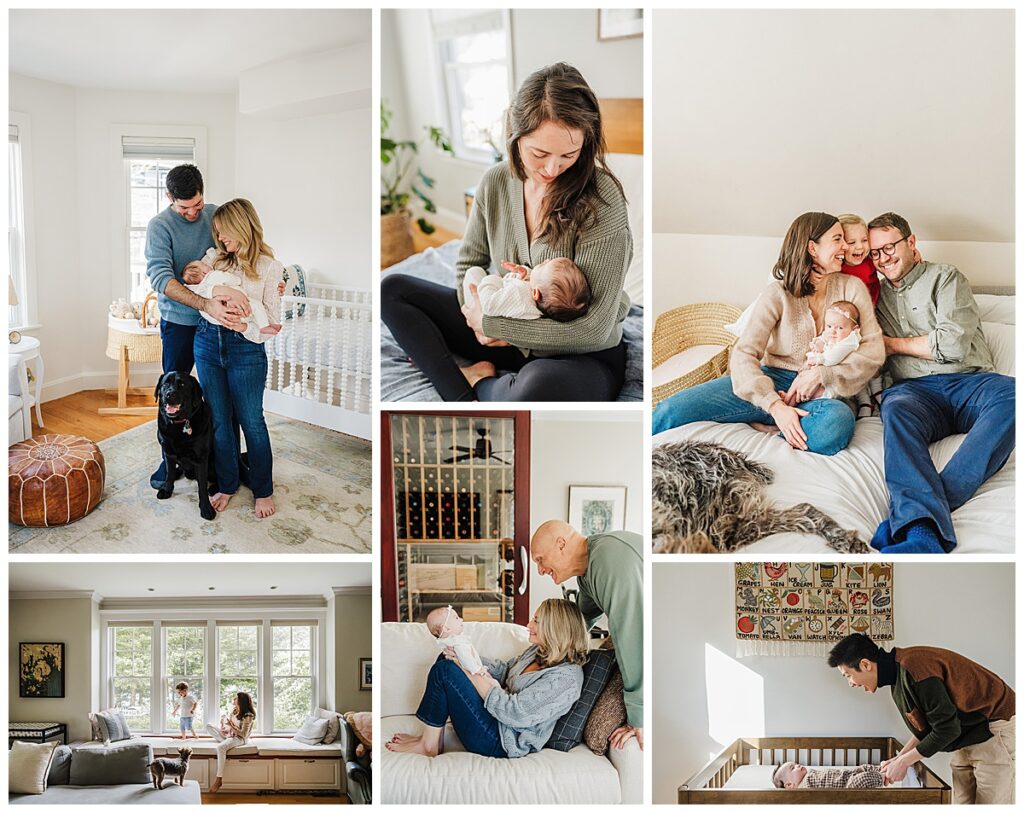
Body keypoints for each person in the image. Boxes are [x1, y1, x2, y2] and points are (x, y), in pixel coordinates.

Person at [381, 62, 632, 401]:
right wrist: (475, 315)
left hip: (577, 350)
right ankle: (466, 396)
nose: (552, 168)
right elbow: (468, 260)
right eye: (539, 153)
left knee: (536, 387)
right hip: (503, 325)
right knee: (393, 289)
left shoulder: (603, 199)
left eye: (568, 155)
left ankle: (479, 383)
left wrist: (493, 326)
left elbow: (595, 328)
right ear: (515, 137)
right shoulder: (496, 181)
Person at [653, 212, 886, 455]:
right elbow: (744, 354)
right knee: (669, 410)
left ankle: (777, 428)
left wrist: (822, 374)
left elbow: (874, 352)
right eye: (837, 239)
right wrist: (775, 405)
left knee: (834, 426)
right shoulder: (778, 294)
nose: (845, 247)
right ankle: (778, 418)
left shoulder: (852, 288)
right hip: (772, 381)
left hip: (827, 391)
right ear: (812, 248)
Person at [867, 212, 1015, 554]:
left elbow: (952, 345)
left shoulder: (945, 277)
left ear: (911, 242)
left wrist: (891, 344)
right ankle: (922, 535)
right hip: (915, 394)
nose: (883, 257)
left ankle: (916, 523)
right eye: (875, 252)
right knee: (895, 409)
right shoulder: (873, 296)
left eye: (890, 247)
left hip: (971, 383)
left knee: (1015, 395)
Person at [145, 164, 251, 488]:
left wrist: (270, 283)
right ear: (169, 198)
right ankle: (170, 464)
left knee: (222, 401)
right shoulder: (159, 227)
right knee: (171, 399)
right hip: (178, 323)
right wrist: (204, 302)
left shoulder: (216, 214)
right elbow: (161, 278)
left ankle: (227, 466)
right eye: (184, 207)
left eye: (198, 205)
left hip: (216, 325)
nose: (193, 213)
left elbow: (243, 252)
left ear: (203, 193)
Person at [385, 599, 588, 758]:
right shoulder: (540, 651)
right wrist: (466, 658)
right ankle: (431, 739)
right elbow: (507, 669)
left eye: (536, 620)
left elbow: (515, 713)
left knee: (446, 671)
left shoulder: (565, 680)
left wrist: (472, 674)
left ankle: (427, 746)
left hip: (501, 740)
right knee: (447, 657)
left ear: (556, 627)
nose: (528, 624)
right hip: (494, 719)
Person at [827, 633, 1015, 804]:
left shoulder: (915, 668)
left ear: (865, 665)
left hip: (993, 726)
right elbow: (925, 729)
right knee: (962, 802)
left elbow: (946, 729)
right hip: (966, 733)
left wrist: (903, 762)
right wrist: (898, 759)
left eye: (848, 676)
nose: (851, 684)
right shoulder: (898, 680)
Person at [193, 199, 283, 519]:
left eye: (224, 232)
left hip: (246, 349)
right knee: (219, 420)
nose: (220, 239)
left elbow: (273, 321)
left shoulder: (270, 267)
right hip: (206, 342)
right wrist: (216, 290)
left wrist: (245, 326)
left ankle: (263, 490)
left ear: (241, 226)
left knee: (251, 421)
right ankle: (228, 484)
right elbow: (197, 292)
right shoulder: (214, 259)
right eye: (216, 233)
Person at [530, 521, 643, 750]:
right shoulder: (589, 574)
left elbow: (632, 634)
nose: (540, 570)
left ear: (561, 544)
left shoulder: (608, 561)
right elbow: (579, 623)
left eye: (540, 559)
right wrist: (544, 648)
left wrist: (639, 716)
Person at [187, 248, 282, 337]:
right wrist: (227, 286)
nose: (208, 265)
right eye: (205, 265)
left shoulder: (199, 288)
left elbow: (194, 294)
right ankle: (264, 326)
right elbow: (235, 280)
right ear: (204, 272)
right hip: (239, 311)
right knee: (256, 307)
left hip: (221, 320)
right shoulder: (214, 274)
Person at [463, 258, 591, 322]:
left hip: (483, 309)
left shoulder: (518, 294)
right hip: (500, 299)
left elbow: (488, 305)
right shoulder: (541, 303)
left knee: (474, 272)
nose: (545, 260)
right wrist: (527, 275)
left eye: (542, 265)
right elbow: (536, 287)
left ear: (536, 293)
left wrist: (493, 279)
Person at [205, 691, 256, 793]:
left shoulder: (248, 715)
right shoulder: (234, 711)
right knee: (209, 726)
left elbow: (243, 734)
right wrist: (226, 730)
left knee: (220, 748)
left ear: (241, 701)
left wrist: (231, 727)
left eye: (236, 698)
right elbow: (231, 725)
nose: (234, 699)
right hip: (230, 735)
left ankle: (219, 779)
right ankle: (225, 740)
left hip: (240, 738)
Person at [425, 605, 486, 676]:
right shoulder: (457, 643)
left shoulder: (451, 642)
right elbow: (466, 658)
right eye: (456, 618)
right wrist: (477, 669)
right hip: (474, 671)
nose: (461, 619)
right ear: (447, 629)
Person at [838, 214, 881, 305]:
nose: (860, 247)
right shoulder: (837, 265)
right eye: (851, 242)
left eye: (864, 240)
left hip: (874, 305)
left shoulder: (870, 258)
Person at [772, 761, 886, 789]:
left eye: (796, 764)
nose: (798, 765)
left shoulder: (809, 773)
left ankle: (883, 768)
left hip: (847, 775)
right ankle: (883, 777)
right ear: (790, 785)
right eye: (793, 768)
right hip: (847, 788)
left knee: (863, 768)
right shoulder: (803, 790)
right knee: (862, 780)